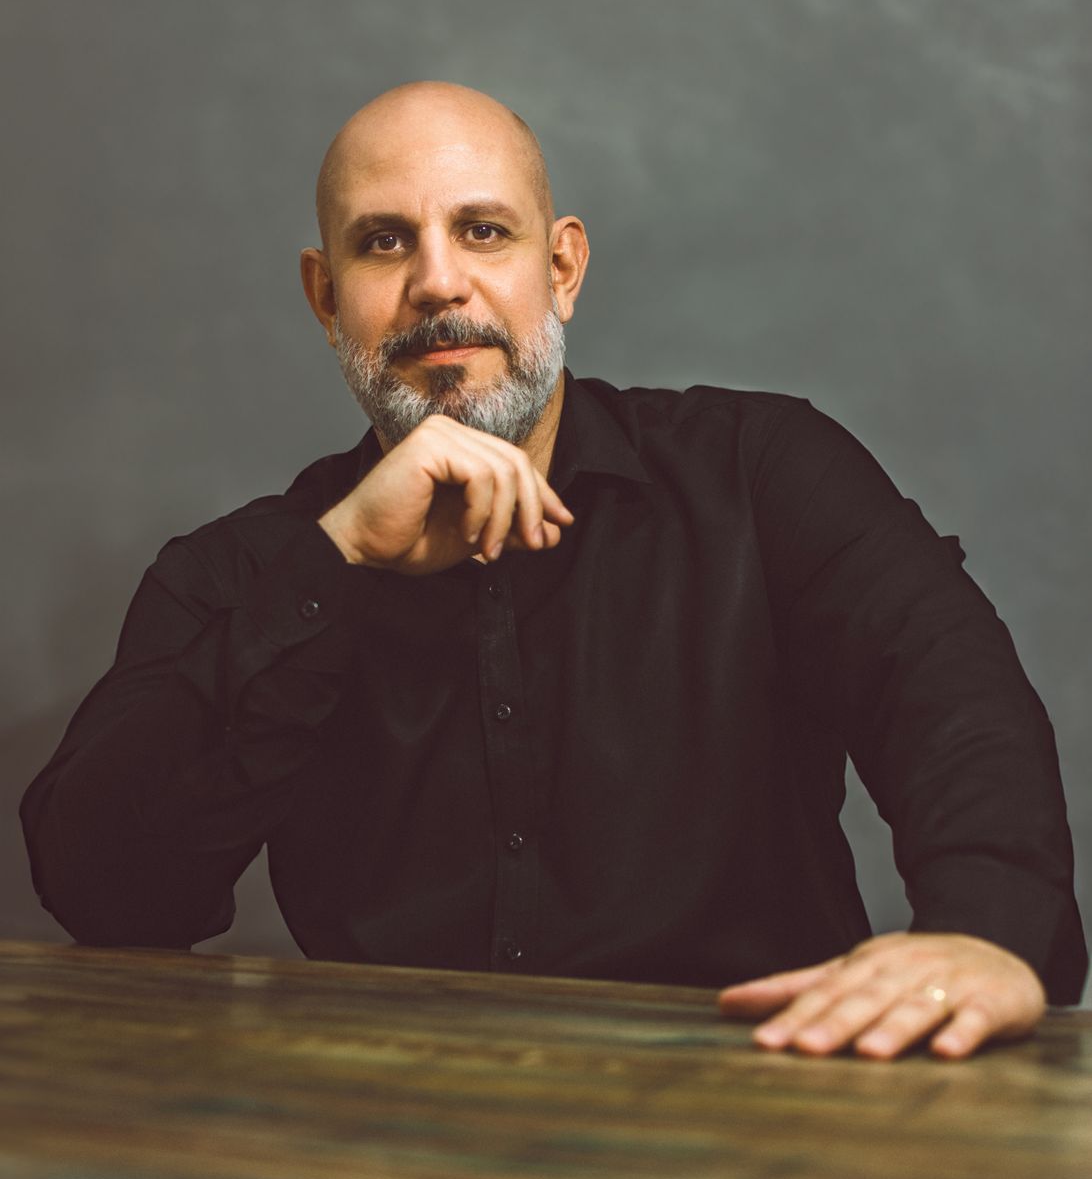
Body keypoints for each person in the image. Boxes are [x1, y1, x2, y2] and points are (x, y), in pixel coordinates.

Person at [22, 81, 1086, 1062]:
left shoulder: (763, 476)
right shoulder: (239, 573)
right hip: (379, 1130)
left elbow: (950, 691)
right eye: (384, 242)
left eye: (483, 231)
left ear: (562, 268)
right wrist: (334, 561)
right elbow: (108, 893)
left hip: (759, 1102)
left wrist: (988, 932)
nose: (438, 282)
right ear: (326, 296)